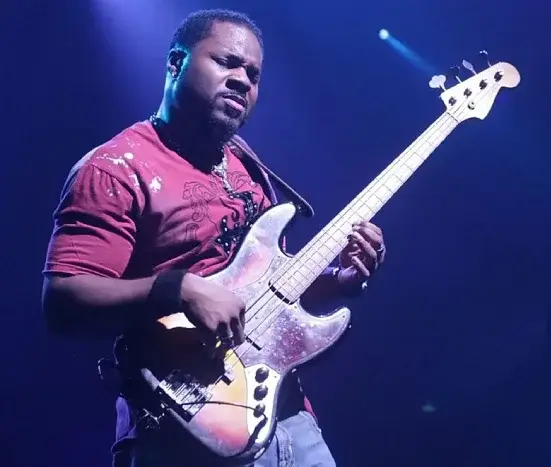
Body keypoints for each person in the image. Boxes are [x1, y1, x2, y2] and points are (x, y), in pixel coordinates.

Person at [41, 8, 387, 467]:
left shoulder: (247, 164)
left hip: (286, 419)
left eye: (254, 74)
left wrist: (337, 278)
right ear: (175, 64)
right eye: (226, 62)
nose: (243, 80)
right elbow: (63, 302)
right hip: (181, 427)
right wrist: (178, 289)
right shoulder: (115, 169)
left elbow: (262, 294)